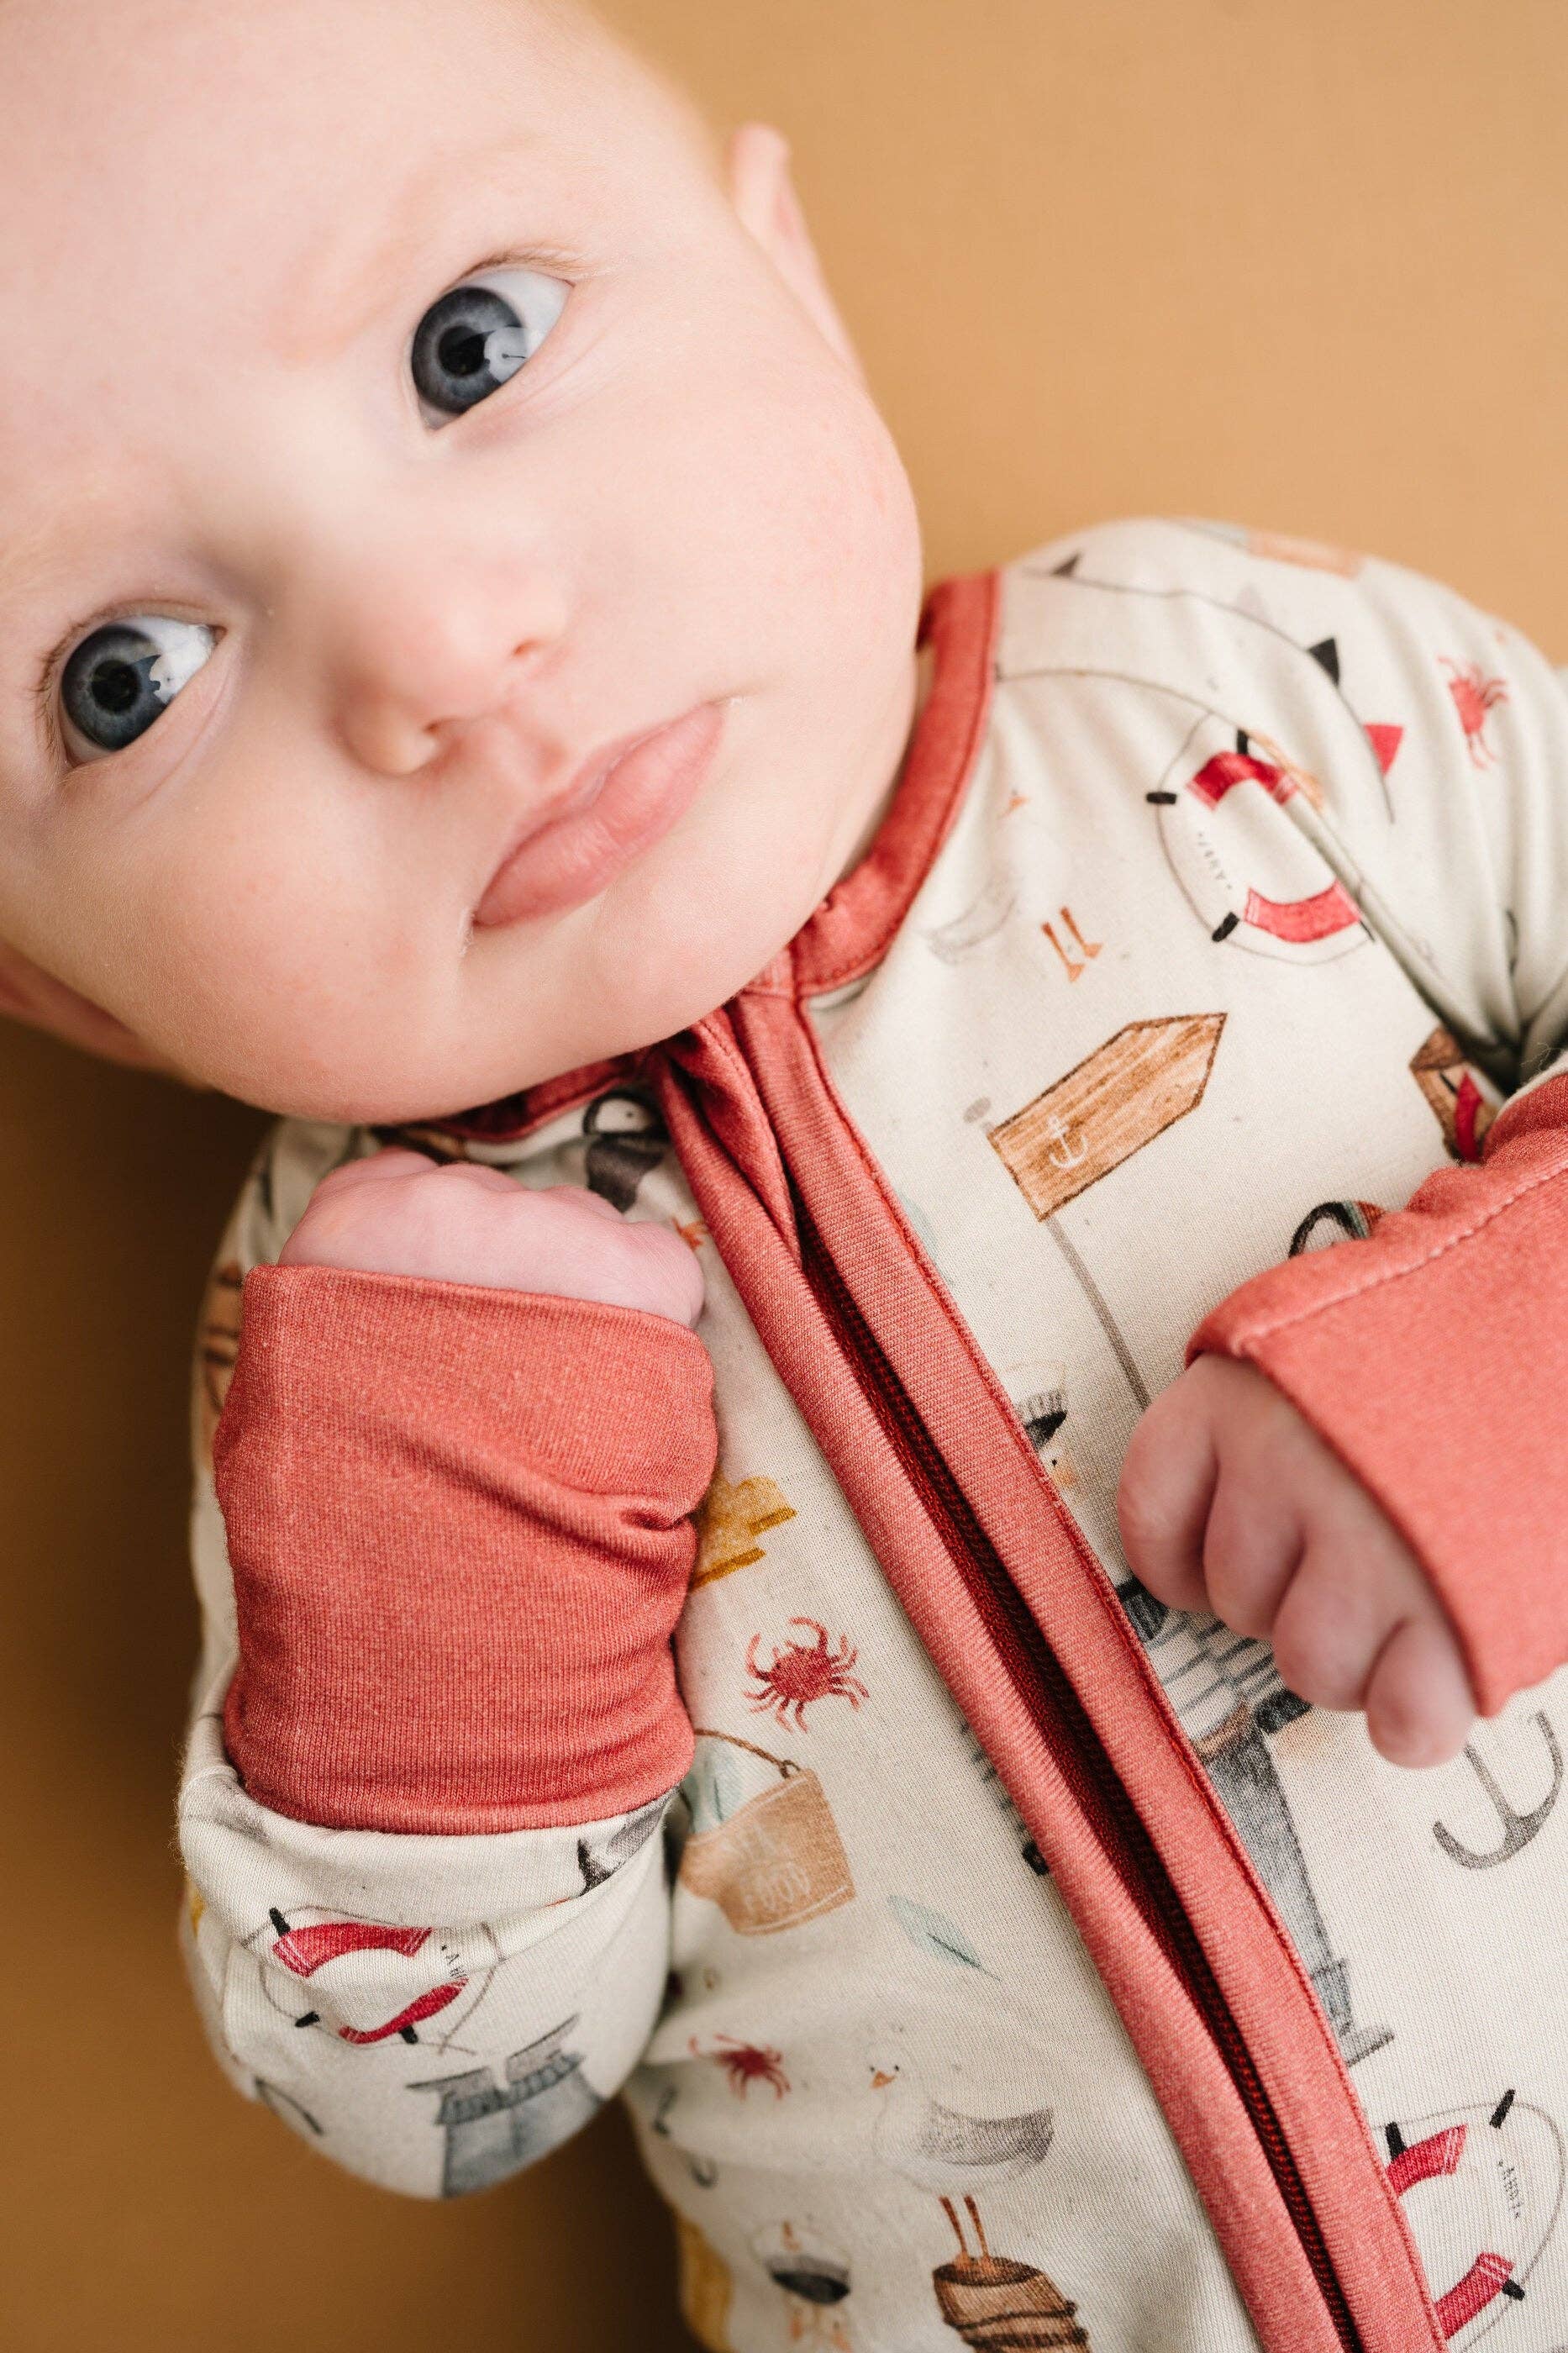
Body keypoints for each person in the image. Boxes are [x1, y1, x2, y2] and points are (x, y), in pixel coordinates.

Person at [3, 0, 1565, 2343]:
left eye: (465, 343)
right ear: (69, 1001)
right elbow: (444, 2093)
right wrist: (447, 1562)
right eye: (120, 675)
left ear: (783, 280)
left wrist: (1490, 1384)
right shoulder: (336, 1342)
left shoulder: (1240, 691)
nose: (442, 644)